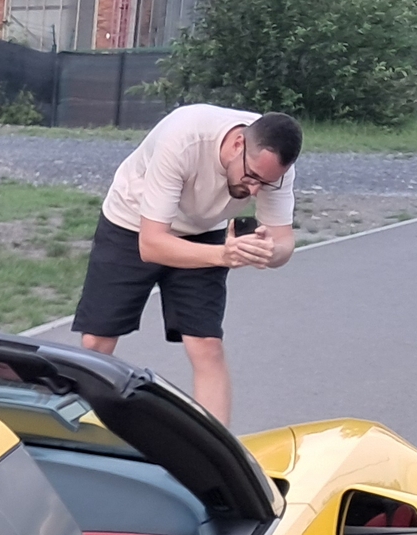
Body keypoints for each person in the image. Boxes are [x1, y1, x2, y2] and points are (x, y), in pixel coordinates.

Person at [70, 105, 303, 424]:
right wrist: (224, 255)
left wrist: (266, 251)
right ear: (238, 144)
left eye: (266, 184)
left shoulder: (272, 166)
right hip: (133, 223)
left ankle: (218, 457)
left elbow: (284, 243)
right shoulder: (182, 139)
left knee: (207, 345)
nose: (254, 190)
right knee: (97, 341)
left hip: (204, 230)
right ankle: (77, 431)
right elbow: (152, 244)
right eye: (251, 177)